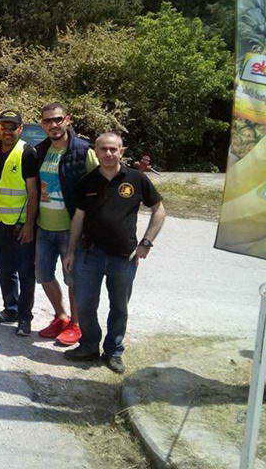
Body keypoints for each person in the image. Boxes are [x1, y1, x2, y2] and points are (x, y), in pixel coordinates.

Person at [63, 133, 166, 373]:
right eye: (103, 149)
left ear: (122, 151)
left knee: (119, 307)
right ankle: (89, 346)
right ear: (95, 151)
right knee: (85, 305)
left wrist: (146, 242)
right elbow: (78, 218)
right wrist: (71, 251)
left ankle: (113, 351)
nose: (108, 153)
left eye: (113, 149)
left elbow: (159, 209)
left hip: (123, 257)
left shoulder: (136, 178)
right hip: (89, 255)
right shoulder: (87, 181)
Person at [33, 102, 98, 346]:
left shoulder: (82, 150)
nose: (53, 125)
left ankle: (76, 324)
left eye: (57, 119)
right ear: (42, 124)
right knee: (43, 275)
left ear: (67, 119)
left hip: (72, 229)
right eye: (48, 121)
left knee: (73, 279)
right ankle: (61, 317)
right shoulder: (41, 150)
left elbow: (100, 184)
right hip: (44, 227)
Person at [0, 111, 39, 336]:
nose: (7, 131)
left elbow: (33, 192)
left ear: (20, 128)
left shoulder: (27, 152)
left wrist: (28, 224)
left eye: (12, 127)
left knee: (25, 272)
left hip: (20, 224)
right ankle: (11, 309)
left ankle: (25, 318)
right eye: (3, 127)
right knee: (5, 270)